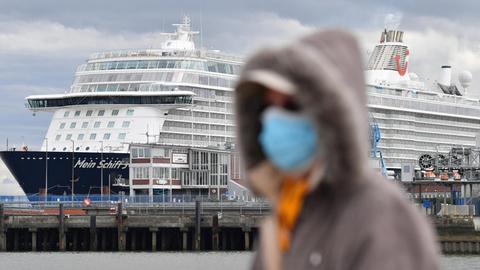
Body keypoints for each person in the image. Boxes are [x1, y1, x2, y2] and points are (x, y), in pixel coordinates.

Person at [234, 30, 439, 270]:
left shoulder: (379, 216)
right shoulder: (285, 219)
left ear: (330, 116)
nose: (274, 119)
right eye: (268, 106)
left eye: (290, 105)